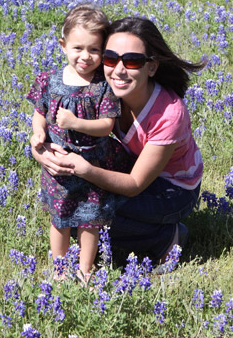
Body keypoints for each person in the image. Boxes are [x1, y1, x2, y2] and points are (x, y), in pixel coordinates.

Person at [32, 16, 205, 267]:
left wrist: (85, 170)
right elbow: (54, 124)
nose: (119, 70)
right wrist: (40, 152)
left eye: (133, 61)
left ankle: (167, 239)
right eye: (110, 58)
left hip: (173, 189)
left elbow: (134, 184)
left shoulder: (169, 113)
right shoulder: (105, 89)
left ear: (152, 67)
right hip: (129, 164)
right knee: (68, 208)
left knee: (87, 212)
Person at [26, 4, 131, 282]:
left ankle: (86, 269)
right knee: (58, 219)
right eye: (78, 48)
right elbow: (39, 114)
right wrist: (38, 133)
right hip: (58, 165)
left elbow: (107, 125)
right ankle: (60, 270)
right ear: (63, 45)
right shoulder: (48, 80)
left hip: (92, 162)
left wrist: (75, 123)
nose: (85, 56)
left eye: (94, 50)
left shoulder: (103, 85)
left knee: (90, 219)